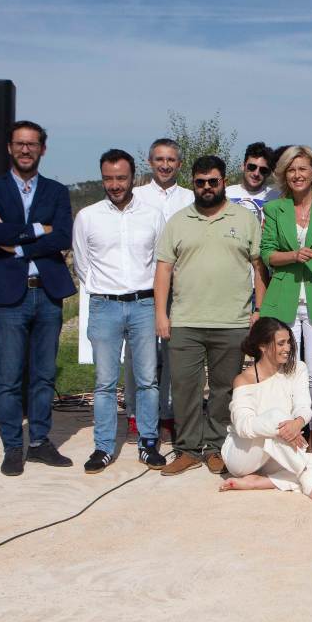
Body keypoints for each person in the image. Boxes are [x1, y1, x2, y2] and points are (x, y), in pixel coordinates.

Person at [0, 119, 77, 476]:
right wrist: (38, 230)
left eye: (32, 144)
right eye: (19, 143)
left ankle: (38, 442)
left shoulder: (56, 191)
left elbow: (62, 236)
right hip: (8, 298)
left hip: (46, 294)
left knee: (44, 375)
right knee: (8, 377)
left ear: (42, 149)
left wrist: (15, 243)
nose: (25, 149)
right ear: (10, 147)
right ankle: (12, 447)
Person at [155, 155, 265, 476]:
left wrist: (258, 310)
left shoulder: (244, 219)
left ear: (222, 182)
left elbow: (259, 269)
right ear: (193, 183)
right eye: (200, 182)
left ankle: (216, 447)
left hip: (232, 323)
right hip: (186, 322)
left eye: (213, 181)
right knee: (185, 388)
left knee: (223, 390)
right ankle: (188, 449)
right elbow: (163, 269)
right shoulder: (178, 221)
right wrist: (161, 314)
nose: (206, 187)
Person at [71, 149, 167, 473]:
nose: (115, 184)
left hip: (143, 305)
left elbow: (159, 262)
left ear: (133, 176)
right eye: (108, 178)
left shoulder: (153, 215)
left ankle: (149, 443)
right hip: (105, 306)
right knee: (104, 383)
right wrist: (106, 290)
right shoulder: (87, 217)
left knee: (147, 381)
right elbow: (83, 265)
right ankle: (103, 447)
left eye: (121, 178)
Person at [258, 145, 312, 444]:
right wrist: (294, 255)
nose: (297, 175)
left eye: (302, 168)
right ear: (285, 175)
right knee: (285, 372)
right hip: (283, 299)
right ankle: (286, 436)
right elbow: (267, 254)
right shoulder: (274, 209)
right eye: (291, 170)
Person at [219, 317, 312, 502]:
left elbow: (304, 407)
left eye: (289, 342)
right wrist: (281, 427)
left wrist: (297, 423)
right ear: (263, 347)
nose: (288, 348)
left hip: (277, 451)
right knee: (277, 416)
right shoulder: (244, 379)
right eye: (281, 343)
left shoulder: (298, 369)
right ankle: (306, 479)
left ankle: (258, 482)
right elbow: (243, 427)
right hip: (243, 455)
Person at [131, 137, 194, 441]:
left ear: (179, 164)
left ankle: (167, 415)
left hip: (181, 285)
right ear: (149, 161)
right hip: (144, 284)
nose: (165, 165)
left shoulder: (191, 197)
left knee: (172, 354)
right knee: (140, 355)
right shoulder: (136, 195)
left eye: (171, 160)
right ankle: (136, 414)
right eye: (160, 159)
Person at [226, 141, 279, 225]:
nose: (256, 173)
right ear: (243, 166)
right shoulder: (226, 194)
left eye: (263, 170)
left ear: (269, 173)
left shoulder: (276, 198)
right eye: (252, 167)